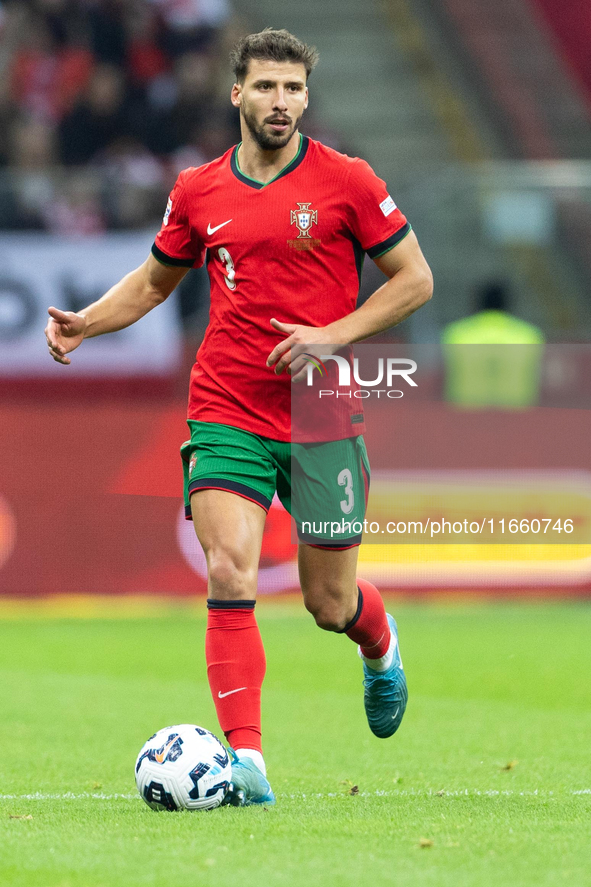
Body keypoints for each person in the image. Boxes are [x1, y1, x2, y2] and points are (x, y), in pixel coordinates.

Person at [45, 28, 433, 807]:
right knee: (229, 568)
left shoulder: (347, 181)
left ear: (306, 99)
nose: (280, 102)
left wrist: (332, 333)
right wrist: (87, 320)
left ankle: (380, 644)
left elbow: (414, 279)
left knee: (330, 604)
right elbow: (155, 282)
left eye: (292, 89)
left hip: (322, 411)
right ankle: (247, 761)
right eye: (266, 88)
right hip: (227, 403)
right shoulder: (197, 189)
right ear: (237, 95)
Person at [441, 280, 545, 408]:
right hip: (517, 418)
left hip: (466, 417)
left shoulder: (455, 334)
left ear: (477, 303)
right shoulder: (530, 336)